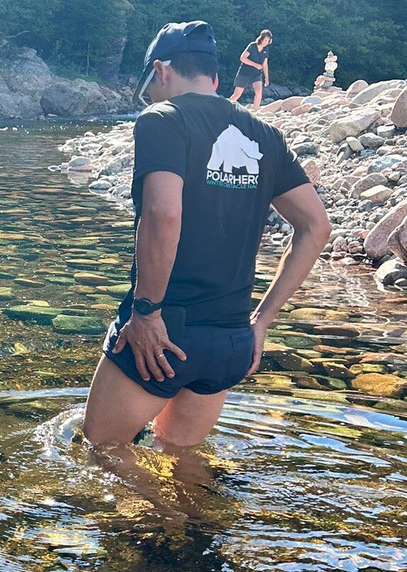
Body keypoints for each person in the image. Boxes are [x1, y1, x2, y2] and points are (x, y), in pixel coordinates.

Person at [82, 20, 330, 449]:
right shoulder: (266, 134)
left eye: (149, 88)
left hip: (165, 333)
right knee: (179, 459)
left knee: (102, 452)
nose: (150, 98)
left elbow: (163, 213)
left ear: (161, 70)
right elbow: (316, 227)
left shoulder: (163, 119)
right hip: (231, 338)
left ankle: (151, 518)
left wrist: (146, 312)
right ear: (215, 78)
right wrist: (261, 321)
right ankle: (193, 520)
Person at [229, 29, 273, 111]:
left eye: (268, 40)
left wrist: (267, 78)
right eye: (265, 40)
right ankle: (226, 107)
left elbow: (265, 64)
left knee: (259, 91)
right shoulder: (252, 46)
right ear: (261, 38)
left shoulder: (266, 49)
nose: (266, 42)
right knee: (237, 94)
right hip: (244, 73)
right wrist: (255, 65)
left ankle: (256, 112)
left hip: (256, 74)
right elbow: (242, 58)